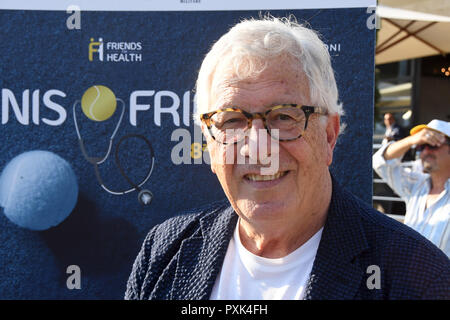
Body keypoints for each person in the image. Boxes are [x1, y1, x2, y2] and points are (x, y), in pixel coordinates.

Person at [125, 17, 450, 300]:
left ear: (329, 136)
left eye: (284, 116)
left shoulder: (420, 278)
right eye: (232, 120)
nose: (258, 145)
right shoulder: (164, 252)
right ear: (210, 145)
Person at [373, 119, 450, 257]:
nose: (425, 151)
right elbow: (380, 162)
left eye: (432, 144)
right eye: (421, 146)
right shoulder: (416, 185)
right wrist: (412, 140)